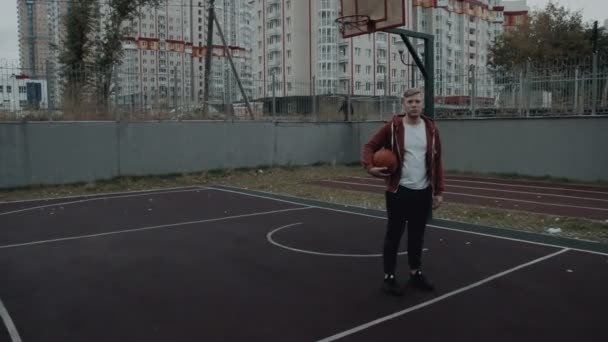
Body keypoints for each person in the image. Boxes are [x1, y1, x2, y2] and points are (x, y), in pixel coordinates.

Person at [361, 88, 445, 296]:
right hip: (399, 191)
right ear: (403, 104)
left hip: (423, 191)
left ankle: (415, 273)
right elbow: (369, 146)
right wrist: (370, 167)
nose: (414, 105)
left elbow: (437, 161)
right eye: (410, 102)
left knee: (417, 237)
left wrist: (439, 190)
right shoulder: (393, 127)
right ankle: (389, 277)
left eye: (417, 101)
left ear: (422, 104)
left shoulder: (431, 129)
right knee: (394, 235)